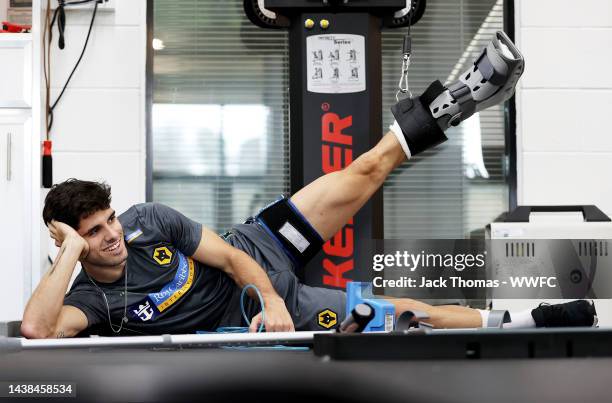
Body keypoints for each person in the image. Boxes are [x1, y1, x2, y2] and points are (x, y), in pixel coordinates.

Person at [21, 32, 596, 338]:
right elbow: (38, 331)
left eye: (109, 221)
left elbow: (226, 257)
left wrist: (269, 295)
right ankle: (532, 321)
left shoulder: (149, 220)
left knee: (364, 171)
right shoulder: (91, 301)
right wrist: (70, 253)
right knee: (406, 315)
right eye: (94, 233)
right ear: (71, 240)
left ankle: (460, 98)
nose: (112, 236)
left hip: (259, 250)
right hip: (271, 310)